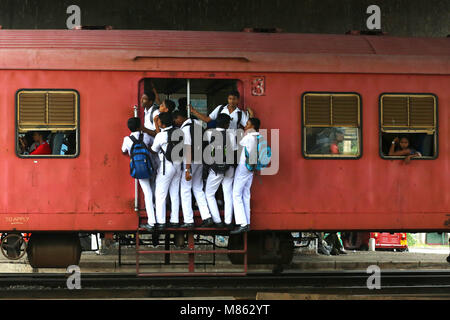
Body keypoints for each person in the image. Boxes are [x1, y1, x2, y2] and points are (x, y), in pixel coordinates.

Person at [172, 110, 214, 228]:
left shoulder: (185, 130)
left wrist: (187, 169)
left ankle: (189, 220)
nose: (176, 123)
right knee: (198, 188)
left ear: (180, 117)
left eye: (175, 120)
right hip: (200, 160)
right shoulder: (197, 124)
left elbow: (188, 149)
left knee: (185, 190)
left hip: (190, 161)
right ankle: (206, 216)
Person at [121, 117, 155, 231]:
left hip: (139, 169)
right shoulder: (145, 136)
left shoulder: (127, 139)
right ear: (139, 126)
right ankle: (158, 215)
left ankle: (152, 221)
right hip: (151, 166)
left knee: (147, 192)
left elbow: (123, 151)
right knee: (155, 190)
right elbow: (153, 145)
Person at [150, 112, 182, 229]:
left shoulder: (160, 136)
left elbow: (154, 149)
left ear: (162, 124)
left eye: (159, 122)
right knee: (174, 193)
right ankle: (175, 220)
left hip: (166, 166)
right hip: (178, 165)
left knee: (161, 194)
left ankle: (161, 221)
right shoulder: (179, 132)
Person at [204, 113, 236, 228]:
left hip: (216, 168)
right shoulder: (231, 134)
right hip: (229, 167)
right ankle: (228, 222)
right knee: (228, 194)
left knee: (209, 193)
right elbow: (234, 150)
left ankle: (217, 220)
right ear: (227, 124)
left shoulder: (209, 133)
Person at [231, 118, 261, 234]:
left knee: (236, 194)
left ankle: (242, 223)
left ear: (252, 126)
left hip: (244, 167)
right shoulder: (259, 137)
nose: (245, 126)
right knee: (246, 194)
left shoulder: (248, 137)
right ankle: (247, 222)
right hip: (252, 167)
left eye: (247, 124)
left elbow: (237, 145)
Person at [189, 90, 254, 130]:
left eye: (234, 99)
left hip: (233, 142)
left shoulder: (240, 113)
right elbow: (207, 119)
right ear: (227, 99)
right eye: (230, 99)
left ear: (238, 100)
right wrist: (194, 111)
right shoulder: (220, 108)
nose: (231, 101)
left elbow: (249, 126)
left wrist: (251, 115)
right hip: (219, 139)